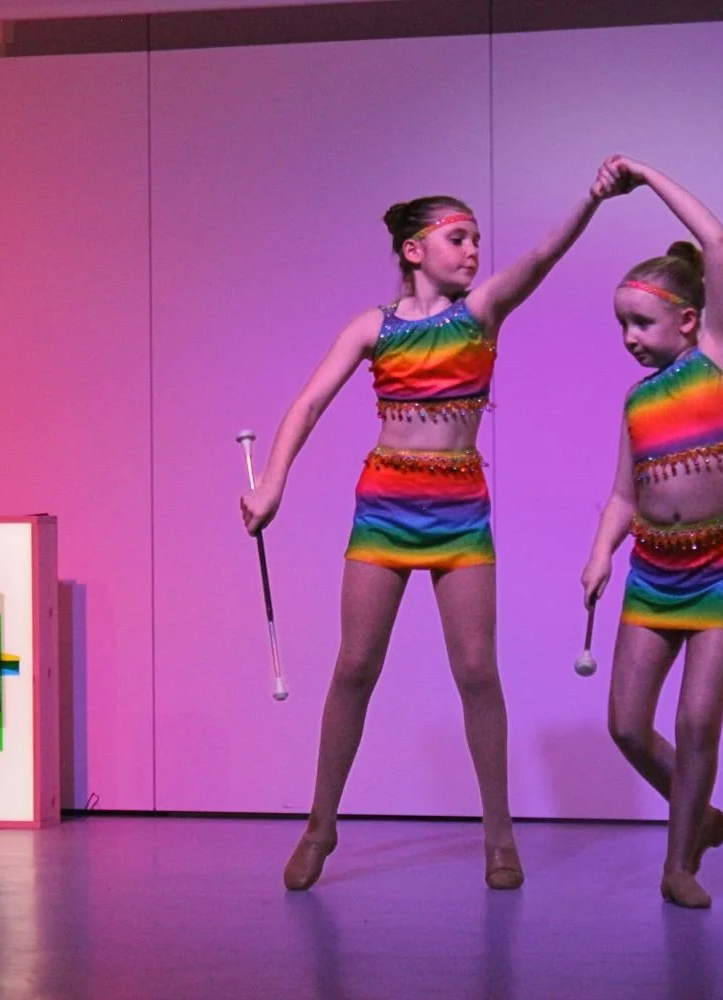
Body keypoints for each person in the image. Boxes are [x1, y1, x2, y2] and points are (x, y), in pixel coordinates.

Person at [241, 180, 610, 891]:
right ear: (414, 251)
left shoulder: (483, 313)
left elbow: (544, 254)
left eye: (474, 239)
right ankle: (321, 824)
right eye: (457, 238)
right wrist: (273, 483)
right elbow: (309, 402)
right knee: (354, 668)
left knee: (476, 671)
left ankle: (499, 837)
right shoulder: (371, 327)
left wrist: (592, 200)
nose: (473, 250)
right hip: (385, 505)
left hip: (459, 508)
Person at [581, 155, 723, 909]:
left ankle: (678, 863)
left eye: (642, 321)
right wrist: (599, 555)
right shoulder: (636, 400)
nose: (628, 336)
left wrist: (646, 178)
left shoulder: (721, 361)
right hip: (654, 572)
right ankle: (704, 818)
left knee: (695, 721)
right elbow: (624, 494)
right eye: (621, 323)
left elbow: (716, 243)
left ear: (688, 321)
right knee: (627, 726)